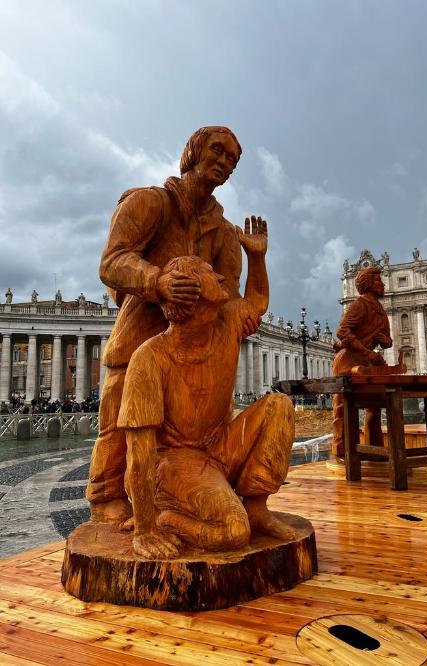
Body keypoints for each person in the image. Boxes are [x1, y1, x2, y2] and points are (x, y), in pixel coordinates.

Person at [87, 127, 260, 524]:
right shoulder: (149, 203)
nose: (225, 162)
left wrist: (239, 314)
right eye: (218, 150)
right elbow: (111, 262)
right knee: (119, 423)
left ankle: (187, 499)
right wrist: (157, 281)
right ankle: (106, 494)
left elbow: (230, 291)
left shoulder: (226, 233)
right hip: (137, 338)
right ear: (191, 153)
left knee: (200, 433)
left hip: (195, 352)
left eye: (233, 159)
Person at [118, 218, 295, 559]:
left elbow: (256, 300)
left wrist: (257, 258)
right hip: (171, 466)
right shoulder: (149, 358)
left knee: (279, 407)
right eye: (210, 274)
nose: (220, 276)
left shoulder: (226, 323)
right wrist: (145, 528)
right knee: (233, 531)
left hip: (217, 448)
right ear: (194, 293)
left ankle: (257, 508)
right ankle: (169, 517)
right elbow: (139, 454)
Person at [332, 266, 392, 458]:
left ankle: (374, 451)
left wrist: (385, 341)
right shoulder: (360, 305)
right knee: (343, 408)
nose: (382, 284)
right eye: (378, 281)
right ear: (368, 285)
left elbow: (388, 341)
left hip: (367, 363)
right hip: (348, 362)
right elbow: (342, 331)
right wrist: (367, 351)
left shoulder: (380, 310)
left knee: (374, 405)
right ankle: (344, 451)